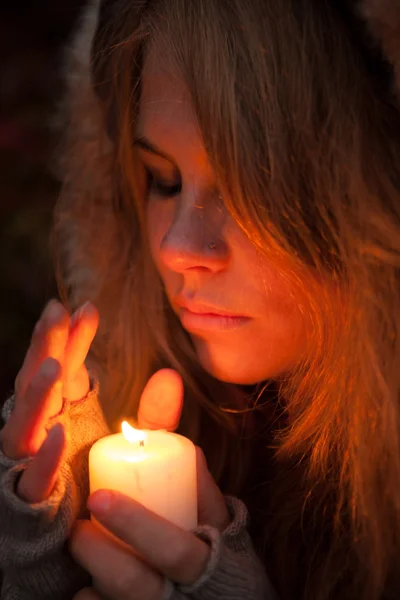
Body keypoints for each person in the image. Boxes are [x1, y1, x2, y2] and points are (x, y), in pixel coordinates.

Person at [2, 0, 400, 598]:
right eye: (163, 181)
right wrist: (47, 569)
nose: (177, 246)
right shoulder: (171, 408)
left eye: (251, 185)